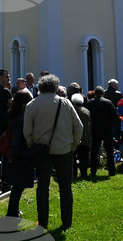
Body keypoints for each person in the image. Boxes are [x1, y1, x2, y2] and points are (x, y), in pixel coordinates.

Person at [23, 75, 83, 231]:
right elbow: (79, 127)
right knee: (65, 186)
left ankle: (42, 223)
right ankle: (67, 222)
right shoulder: (65, 103)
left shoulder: (32, 104)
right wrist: (74, 144)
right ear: (56, 87)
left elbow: (27, 131)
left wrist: (32, 145)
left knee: (42, 186)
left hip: (42, 150)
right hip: (64, 149)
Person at [4, 91, 34, 217]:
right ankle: (12, 212)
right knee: (18, 185)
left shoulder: (16, 115)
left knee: (18, 185)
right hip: (20, 154)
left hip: (18, 153)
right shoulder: (21, 118)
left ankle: (14, 209)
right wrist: (13, 155)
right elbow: (17, 139)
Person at [85, 87, 117, 177]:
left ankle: (93, 171)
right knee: (109, 151)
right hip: (107, 129)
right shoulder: (108, 102)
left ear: (95, 93)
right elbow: (115, 116)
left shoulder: (90, 103)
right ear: (103, 93)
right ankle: (111, 171)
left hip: (95, 129)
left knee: (94, 151)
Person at [70, 94, 92, 179]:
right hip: (85, 137)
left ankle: (74, 173)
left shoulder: (71, 110)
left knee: (73, 157)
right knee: (84, 158)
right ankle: (84, 174)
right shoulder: (86, 111)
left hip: (73, 137)